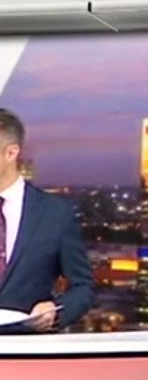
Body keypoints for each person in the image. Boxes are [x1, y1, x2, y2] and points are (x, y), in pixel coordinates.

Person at [0, 108, 94, 331]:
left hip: (26, 346)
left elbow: (83, 287)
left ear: (11, 153)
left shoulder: (55, 214)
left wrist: (56, 310)